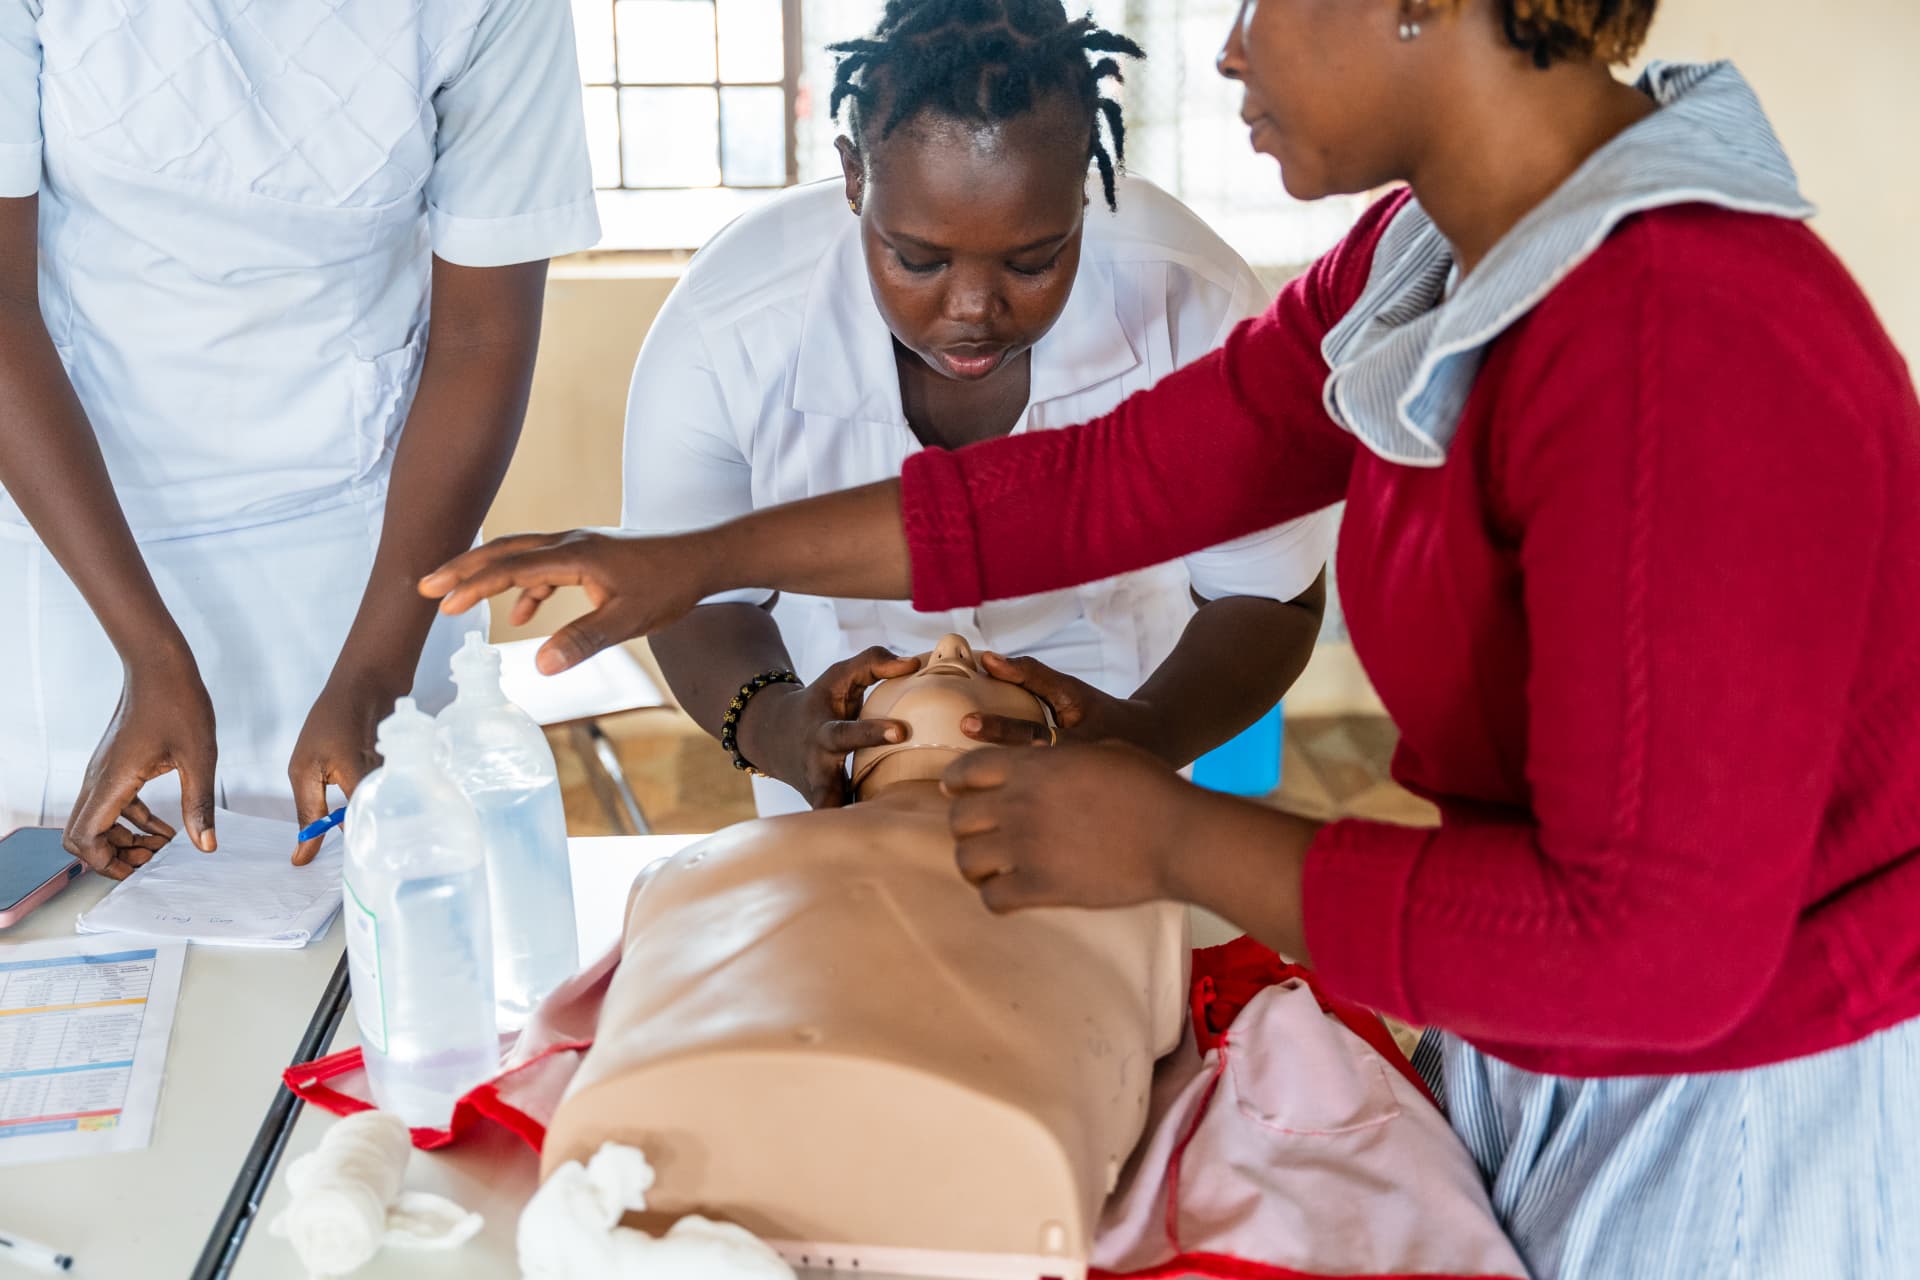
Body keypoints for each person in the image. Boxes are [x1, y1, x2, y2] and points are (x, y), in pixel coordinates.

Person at [423, 0, 1920, 1274]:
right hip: (1546, 1032)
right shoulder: (1436, 253)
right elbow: (1119, 479)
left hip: (1739, 1102)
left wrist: (1173, 835)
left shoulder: (1678, 343)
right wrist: (693, 560)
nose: (1228, 50)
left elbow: (1652, 956)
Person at [610, 0, 1334, 812]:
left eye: (1034, 261)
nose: (972, 309)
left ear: (1084, 189)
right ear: (854, 178)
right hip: (831, 725)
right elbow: (693, 590)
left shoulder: (1193, 303)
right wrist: (776, 723)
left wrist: (1144, 735)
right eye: (918, 260)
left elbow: (1269, 595)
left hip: (1119, 702)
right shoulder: (727, 327)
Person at [0, 0, 598, 875]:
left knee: (381, 916)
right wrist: (148, 652)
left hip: (368, 569)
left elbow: (480, 340)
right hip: (72, 545)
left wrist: (375, 673)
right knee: (73, 929)